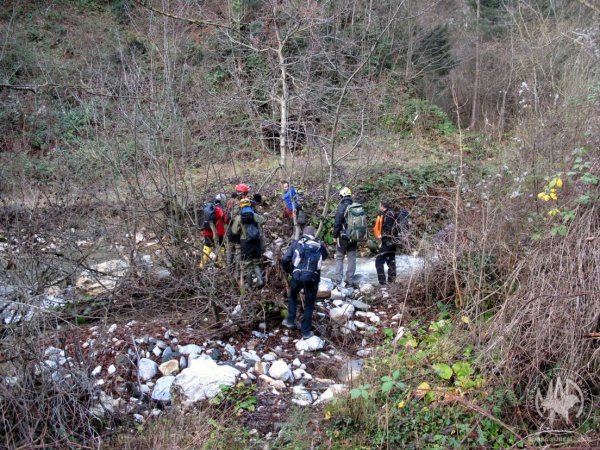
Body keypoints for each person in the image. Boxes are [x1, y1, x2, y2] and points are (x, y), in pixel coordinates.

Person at [280, 225, 329, 339]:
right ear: (313, 234)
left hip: (297, 276)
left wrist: (290, 270)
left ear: (303, 233)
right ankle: (306, 332)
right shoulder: (319, 245)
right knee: (309, 305)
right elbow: (325, 257)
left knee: (292, 296)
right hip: (313, 278)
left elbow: (285, 259)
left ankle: (290, 320)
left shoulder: (297, 243)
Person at [231, 198, 267, 290]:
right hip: (256, 242)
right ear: (250, 205)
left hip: (245, 243)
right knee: (256, 261)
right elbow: (263, 220)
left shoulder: (239, 218)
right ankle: (260, 280)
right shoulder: (254, 215)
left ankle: (249, 286)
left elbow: (234, 231)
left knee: (247, 264)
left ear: (241, 206)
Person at [332, 187, 357, 287]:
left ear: (342, 196)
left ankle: (338, 280)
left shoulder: (342, 207)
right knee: (352, 258)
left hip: (343, 237)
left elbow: (337, 222)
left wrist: (335, 235)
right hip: (354, 236)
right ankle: (349, 280)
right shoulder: (355, 206)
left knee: (339, 257)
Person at [199, 194, 226, 268]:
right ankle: (220, 264)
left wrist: (202, 229)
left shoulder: (208, 206)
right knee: (221, 247)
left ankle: (201, 265)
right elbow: (224, 217)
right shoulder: (219, 208)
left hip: (207, 231)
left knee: (207, 247)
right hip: (218, 232)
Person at [374, 200, 397, 285]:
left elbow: (389, 229)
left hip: (388, 242)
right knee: (391, 261)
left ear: (383, 207)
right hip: (393, 242)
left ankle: (382, 282)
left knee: (378, 261)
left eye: (380, 206)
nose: (379, 207)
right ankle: (392, 281)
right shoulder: (392, 213)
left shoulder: (389, 215)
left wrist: (381, 236)